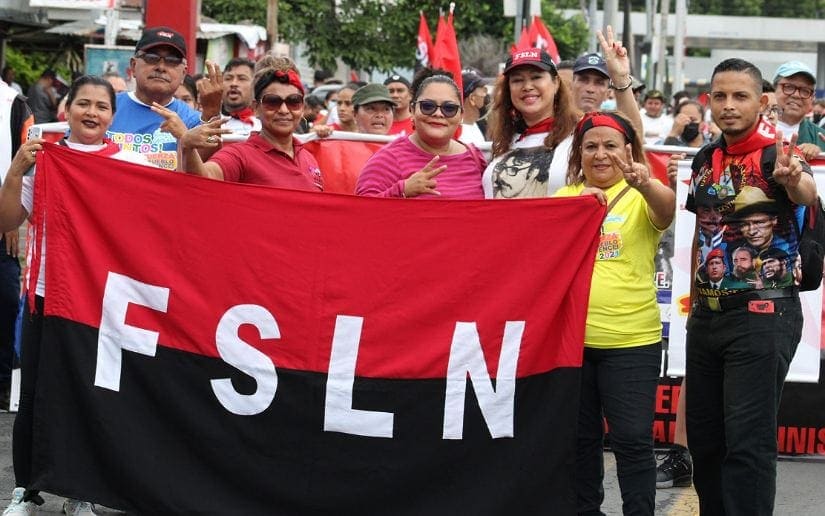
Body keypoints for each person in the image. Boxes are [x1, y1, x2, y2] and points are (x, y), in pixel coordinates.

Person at [0, 75, 151, 516]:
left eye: (101, 106)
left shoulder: (129, 162)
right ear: (66, 109)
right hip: (46, 295)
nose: (92, 113)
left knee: (86, 396)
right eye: (83, 103)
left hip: (99, 299)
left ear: (112, 116)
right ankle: (25, 489)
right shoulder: (44, 159)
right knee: (34, 396)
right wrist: (15, 170)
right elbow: (7, 220)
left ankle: (79, 492)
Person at [685, 58, 817, 515]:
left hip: (764, 315)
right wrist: (694, 308)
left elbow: (806, 192)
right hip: (707, 318)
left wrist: (794, 180)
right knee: (705, 443)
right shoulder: (704, 158)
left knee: (747, 445)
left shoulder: (778, 153)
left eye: (740, 96)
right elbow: (702, 234)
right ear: (709, 100)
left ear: (762, 102)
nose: (729, 105)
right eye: (720, 95)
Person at [555, 110, 675, 515]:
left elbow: (667, 209)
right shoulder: (564, 198)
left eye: (610, 146)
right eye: (590, 146)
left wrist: (647, 183)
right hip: (572, 344)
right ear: (579, 153)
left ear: (628, 150)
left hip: (632, 341)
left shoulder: (642, 194)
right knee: (580, 439)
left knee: (632, 440)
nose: (600, 154)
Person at [484, 27, 639, 198]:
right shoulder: (503, 138)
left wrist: (620, 79)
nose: (527, 86)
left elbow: (633, 137)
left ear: (556, 83)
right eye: (517, 80)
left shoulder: (583, 130)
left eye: (536, 77)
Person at [173, 58, 323, 191]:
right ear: (255, 108)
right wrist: (187, 147)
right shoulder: (239, 155)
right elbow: (204, 179)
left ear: (302, 108)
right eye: (272, 101)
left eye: (293, 101)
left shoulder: (308, 158)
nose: (284, 110)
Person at [107, 26, 221, 169]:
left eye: (172, 61)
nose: (161, 67)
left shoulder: (192, 120)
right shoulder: (106, 106)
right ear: (133, 66)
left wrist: (212, 111)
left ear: (183, 74)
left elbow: (203, 168)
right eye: (152, 58)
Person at [356, 74, 485, 199]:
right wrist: (403, 190)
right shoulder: (388, 159)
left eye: (449, 108)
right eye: (427, 106)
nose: (438, 114)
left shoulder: (475, 158)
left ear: (461, 115)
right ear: (412, 110)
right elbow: (360, 209)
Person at [0, 74, 31, 414]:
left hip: (2, 227)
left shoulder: (14, 104)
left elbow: (25, 163)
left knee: (6, 303)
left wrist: (10, 212)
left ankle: (3, 383)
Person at [773, 60, 825, 160]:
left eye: (805, 91)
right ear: (773, 90)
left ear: (812, 98)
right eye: (788, 87)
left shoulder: (821, 138)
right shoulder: (751, 131)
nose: (796, 95)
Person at [220, 58, 260, 136]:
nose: (233, 84)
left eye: (242, 79)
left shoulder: (266, 125)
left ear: (255, 84)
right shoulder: (208, 122)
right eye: (228, 79)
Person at [459, 69, 489, 145]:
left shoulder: (471, 125)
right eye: (483, 91)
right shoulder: (463, 135)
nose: (485, 95)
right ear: (472, 98)